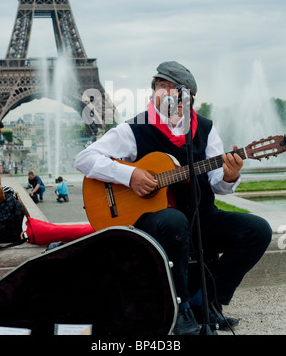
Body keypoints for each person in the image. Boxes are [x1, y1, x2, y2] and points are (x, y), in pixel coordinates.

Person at [75, 61, 272, 335]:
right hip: (154, 222)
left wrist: (229, 175)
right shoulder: (134, 129)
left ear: (189, 97)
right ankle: (178, 310)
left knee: (258, 230)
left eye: (174, 88)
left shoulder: (205, 129)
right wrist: (128, 176)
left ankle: (206, 300)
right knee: (173, 220)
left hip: (201, 217)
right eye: (161, 86)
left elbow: (217, 183)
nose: (166, 92)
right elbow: (84, 158)